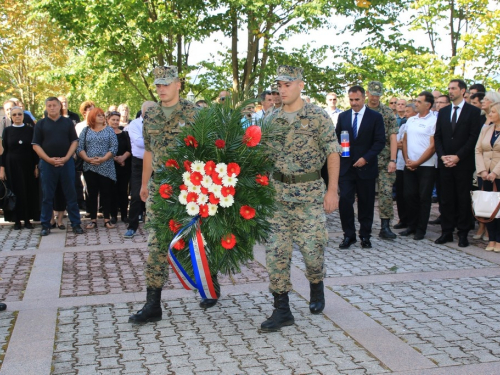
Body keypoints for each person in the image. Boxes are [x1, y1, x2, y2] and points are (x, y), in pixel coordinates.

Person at [261, 65, 341, 332]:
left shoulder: (317, 117)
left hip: (309, 197)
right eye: (279, 86)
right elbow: (263, 158)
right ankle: (281, 309)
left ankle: (315, 285)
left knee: (312, 252)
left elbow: (332, 153)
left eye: (287, 85)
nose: (281, 90)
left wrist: (332, 191)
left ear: (300, 85)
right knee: (276, 253)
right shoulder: (271, 119)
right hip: (277, 198)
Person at [129, 66, 201, 324]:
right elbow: (149, 151)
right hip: (161, 191)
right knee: (156, 245)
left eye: (165, 84)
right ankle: (153, 304)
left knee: (196, 242)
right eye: (157, 85)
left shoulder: (195, 114)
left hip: (189, 190)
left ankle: (207, 283)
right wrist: (145, 183)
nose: (161, 89)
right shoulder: (152, 116)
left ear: (178, 84)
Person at [434, 79, 482, 247]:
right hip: (445, 163)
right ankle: (446, 231)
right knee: (446, 199)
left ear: (463, 91)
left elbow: (473, 138)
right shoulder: (443, 111)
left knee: (462, 198)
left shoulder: (473, 112)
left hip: (463, 164)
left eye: (453, 88)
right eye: (448, 88)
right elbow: (438, 136)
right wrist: (443, 156)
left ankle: (462, 233)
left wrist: (458, 157)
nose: (450, 91)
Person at [337, 85, 385, 249]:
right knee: (344, 201)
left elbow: (380, 141)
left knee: (366, 203)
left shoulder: (375, 117)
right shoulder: (343, 117)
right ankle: (348, 235)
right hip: (346, 168)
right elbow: (338, 139)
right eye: (351, 100)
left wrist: (366, 158)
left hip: (366, 167)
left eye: (357, 99)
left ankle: (365, 235)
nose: (354, 103)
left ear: (364, 98)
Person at [32, 97, 84, 236]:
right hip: (48, 164)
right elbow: (36, 145)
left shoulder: (67, 122)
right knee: (47, 196)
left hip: (66, 163)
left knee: (71, 194)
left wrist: (66, 158)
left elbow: (74, 142)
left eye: (54, 105)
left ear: (59, 106)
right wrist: (48, 159)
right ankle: (45, 225)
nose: (52, 108)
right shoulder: (41, 124)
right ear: (46, 107)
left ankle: (76, 224)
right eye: (49, 105)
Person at [400, 92, 437, 240]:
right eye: (416, 101)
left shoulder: (433, 120)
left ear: (428, 105)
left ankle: (421, 229)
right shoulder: (411, 120)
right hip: (409, 164)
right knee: (409, 196)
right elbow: (405, 141)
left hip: (426, 165)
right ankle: (411, 225)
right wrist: (408, 159)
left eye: (419, 102)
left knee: (424, 197)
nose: (416, 103)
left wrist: (418, 162)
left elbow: (432, 146)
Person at [366, 81, 398, 240]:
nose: (374, 97)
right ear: (367, 93)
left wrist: (393, 159)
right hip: (366, 159)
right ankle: (365, 226)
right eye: (372, 93)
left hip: (384, 160)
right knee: (365, 194)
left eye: (377, 94)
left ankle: (385, 226)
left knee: (386, 193)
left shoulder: (386, 112)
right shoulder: (361, 110)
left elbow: (393, 137)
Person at [77, 108, 118, 229]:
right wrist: (87, 159)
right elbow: (80, 148)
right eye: (98, 115)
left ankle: (106, 219)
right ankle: (93, 220)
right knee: (92, 194)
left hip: (106, 166)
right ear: (92, 117)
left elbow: (114, 147)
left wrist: (104, 159)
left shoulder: (109, 130)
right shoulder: (85, 131)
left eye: (102, 115)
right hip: (90, 167)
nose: (101, 117)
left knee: (106, 193)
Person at [0, 106, 39, 229]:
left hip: (27, 164)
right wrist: (2, 168)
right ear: (11, 117)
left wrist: (36, 166)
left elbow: (34, 150)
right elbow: (4, 151)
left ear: (23, 116)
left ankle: (28, 219)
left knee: (27, 190)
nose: (17, 116)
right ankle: (16, 220)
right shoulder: (7, 131)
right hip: (11, 165)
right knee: (15, 191)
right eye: (14, 115)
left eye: (19, 114)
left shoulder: (30, 130)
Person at [123, 101, 155, 238]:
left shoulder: (161, 123)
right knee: (136, 195)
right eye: (148, 111)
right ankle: (132, 226)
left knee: (159, 193)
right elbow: (139, 142)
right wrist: (157, 140)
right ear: (142, 111)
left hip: (157, 161)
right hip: (139, 163)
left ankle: (156, 226)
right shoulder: (134, 124)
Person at [475, 102, 500, 252]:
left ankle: (499, 239)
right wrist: (483, 170)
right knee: (489, 207)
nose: (490, 114)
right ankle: (491, 238)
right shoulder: (487, 129)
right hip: (485, 173)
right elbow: (478, 150)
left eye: (493, 112)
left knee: (499, 208)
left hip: (497, 173)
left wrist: (495, 172)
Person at [394, 103, 417, 229]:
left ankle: (412, 221)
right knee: (400, 193)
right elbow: (397, 143)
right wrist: (402, 144)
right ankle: (403, 219)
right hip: (400, 163)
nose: (406, 114)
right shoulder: (403, 125)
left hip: (412, 162)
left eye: (408, 111)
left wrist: (404, 144)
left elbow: (407, 143)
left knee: (410, 194)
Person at [107, 111, 131, 224]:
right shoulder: (105, 133)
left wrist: (123, 158)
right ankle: (113, 215)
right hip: (109, 166)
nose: (115, 122)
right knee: (112, 191)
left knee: (123, 191)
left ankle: (124, 215)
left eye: (117, 120)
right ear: (108, 120)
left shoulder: (125, 134)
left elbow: (129, 149)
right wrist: (115, 158)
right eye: (113, 119)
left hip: (123, 167)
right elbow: (104, 150)